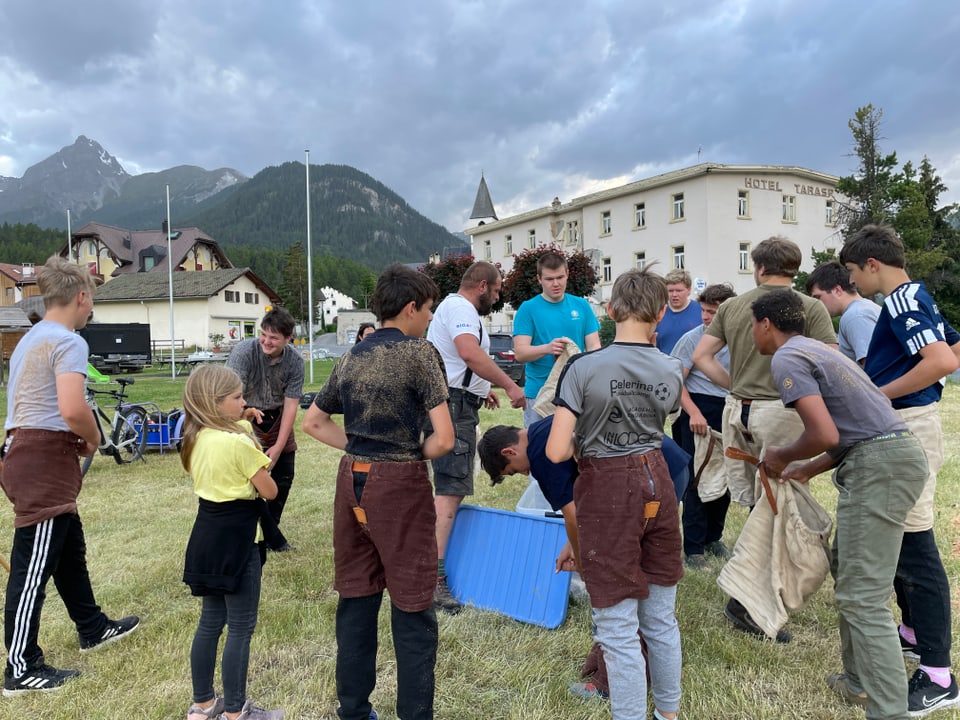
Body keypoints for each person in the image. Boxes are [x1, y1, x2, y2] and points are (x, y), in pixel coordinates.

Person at [752, 288, 929, 720]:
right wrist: (808, 470)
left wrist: (782, 456)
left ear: (766, 325)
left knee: (863, 597)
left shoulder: (787, 357)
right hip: (884, 455)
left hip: (880, 466)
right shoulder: (819, 349)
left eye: (751, 326)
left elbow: (826, 434)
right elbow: (855, 427)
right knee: (851, 581)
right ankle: (858, 683)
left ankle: (889, 711)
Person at [302, 264, 454, 720]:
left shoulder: (352, 356)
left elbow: (312, 422)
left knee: (356, 598)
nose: (429, 318)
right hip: (399, 483)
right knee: (412, 604)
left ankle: (353, 710)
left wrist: (358, 447)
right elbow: (444, 439)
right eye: (428, 310)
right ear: (411, 307)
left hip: (352, 480)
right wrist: (409, 451)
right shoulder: (420, 353)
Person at [545, 267, 684, 720]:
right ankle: (667, 712)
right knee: (661, 618)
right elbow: (668, 412)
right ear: (661, 313)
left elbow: (556, 447)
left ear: (609, 310)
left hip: (608, 486)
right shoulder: (670, 367)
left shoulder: (585, 367)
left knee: (617, 623)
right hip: (657, 478)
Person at [2, 256, 139, 697]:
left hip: (26, 451)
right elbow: (72, 407)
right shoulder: (68, 341)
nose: (89, 310)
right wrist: (95, 437)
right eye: (91, 302)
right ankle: (20, 667)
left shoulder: (31, 337)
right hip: (42, 457)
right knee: (33, 565)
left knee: (66, 548)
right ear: (82, 297)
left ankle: (92, 627)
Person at [839, 224, 960, 716]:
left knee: (915, 546)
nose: (852, 285)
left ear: (872, 265)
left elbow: (938, 363)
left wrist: (876, 394)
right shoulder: (913, 296)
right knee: (905, 542)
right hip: (910, 419)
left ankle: (938, 674)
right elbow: (953, 346)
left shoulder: (903, 299)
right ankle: (911, 633)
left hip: (908, 424)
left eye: (852, 273)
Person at [692, 235, 836, 642]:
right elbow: (828, 360)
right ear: (795, 268)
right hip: (785, 410)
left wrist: (734, 384)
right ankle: (752, 601)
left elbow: (700, 357)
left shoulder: (735, 305)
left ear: (757, 267)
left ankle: (750, 591)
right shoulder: (811, 308)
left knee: (762, 503)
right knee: (778, 505)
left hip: (740, 410)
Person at [181, 364, 284, 720]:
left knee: (210, 622)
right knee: (241, 626)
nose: (244, 403)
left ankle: (203, 704)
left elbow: (233, 430)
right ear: (215, 402)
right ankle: (237, 711)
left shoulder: (195, 439)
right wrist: (264, 463)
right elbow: (269, 492)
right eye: (238, 398)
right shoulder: (241, 445)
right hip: (240, 542)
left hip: (206, 537)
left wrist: (244, 418)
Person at [426, 261, 526, 614]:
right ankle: (434, 581)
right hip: (452, 406)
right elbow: (468, 351)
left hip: (458, 399)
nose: (498, 297)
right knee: (450, 491)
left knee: (445, 489)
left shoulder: (457, 309)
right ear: (482, 285)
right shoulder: (460, 308)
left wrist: (481, 387)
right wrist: (509, 383)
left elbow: (460, 361)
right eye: (497, 290)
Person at [669, 283, 736, 570]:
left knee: (727, 477)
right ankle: (694, 549)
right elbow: (675, 382)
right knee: (697, 480)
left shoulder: (740, 339)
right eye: (705, 311)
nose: (707, 317)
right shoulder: (691, 339)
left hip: (729, 410)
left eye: (714, 312)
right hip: (698, 410)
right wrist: (694, 413)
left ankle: (713, 538)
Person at [226, 308, 304, 552]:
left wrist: (279, 448)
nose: (267, 342)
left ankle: (271, 531)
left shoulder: (295, 362)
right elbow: (230, 397)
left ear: (288, 338)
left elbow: (291, 406)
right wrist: (243, 419)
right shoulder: (244, 353)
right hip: (245, 413)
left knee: (284, 475)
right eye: (264, 335)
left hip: (278, 415)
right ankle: (249, 533)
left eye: (274, 338)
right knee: (248, 478)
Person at [805, 260, 880, 364]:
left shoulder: (855, 316)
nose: (816, 304)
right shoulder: (864, 309)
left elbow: (873, 365)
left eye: (818, 297)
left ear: (837, 290)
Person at [655, 269, 702, 354]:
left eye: (679, 291)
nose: (674, 295)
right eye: (670, 291)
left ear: (689, 290)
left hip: (693, 366)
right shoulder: (657, 312)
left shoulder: (701, 311)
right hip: (663, 365)